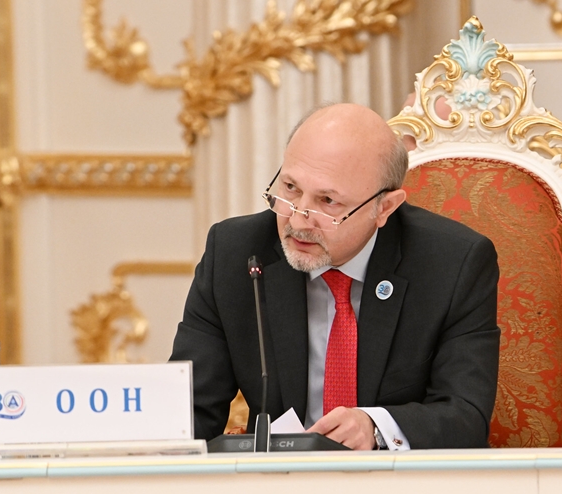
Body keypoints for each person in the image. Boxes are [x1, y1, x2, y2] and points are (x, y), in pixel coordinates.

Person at [170, 103, 500, 450]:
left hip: (397, 474)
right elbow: (188, 412)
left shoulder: (453, 263)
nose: (298, 219)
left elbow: (465, 416)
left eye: (327, 201)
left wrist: (376, 428)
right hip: (277, 476)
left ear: (385, 207)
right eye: (291, 188)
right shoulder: (236, 253)